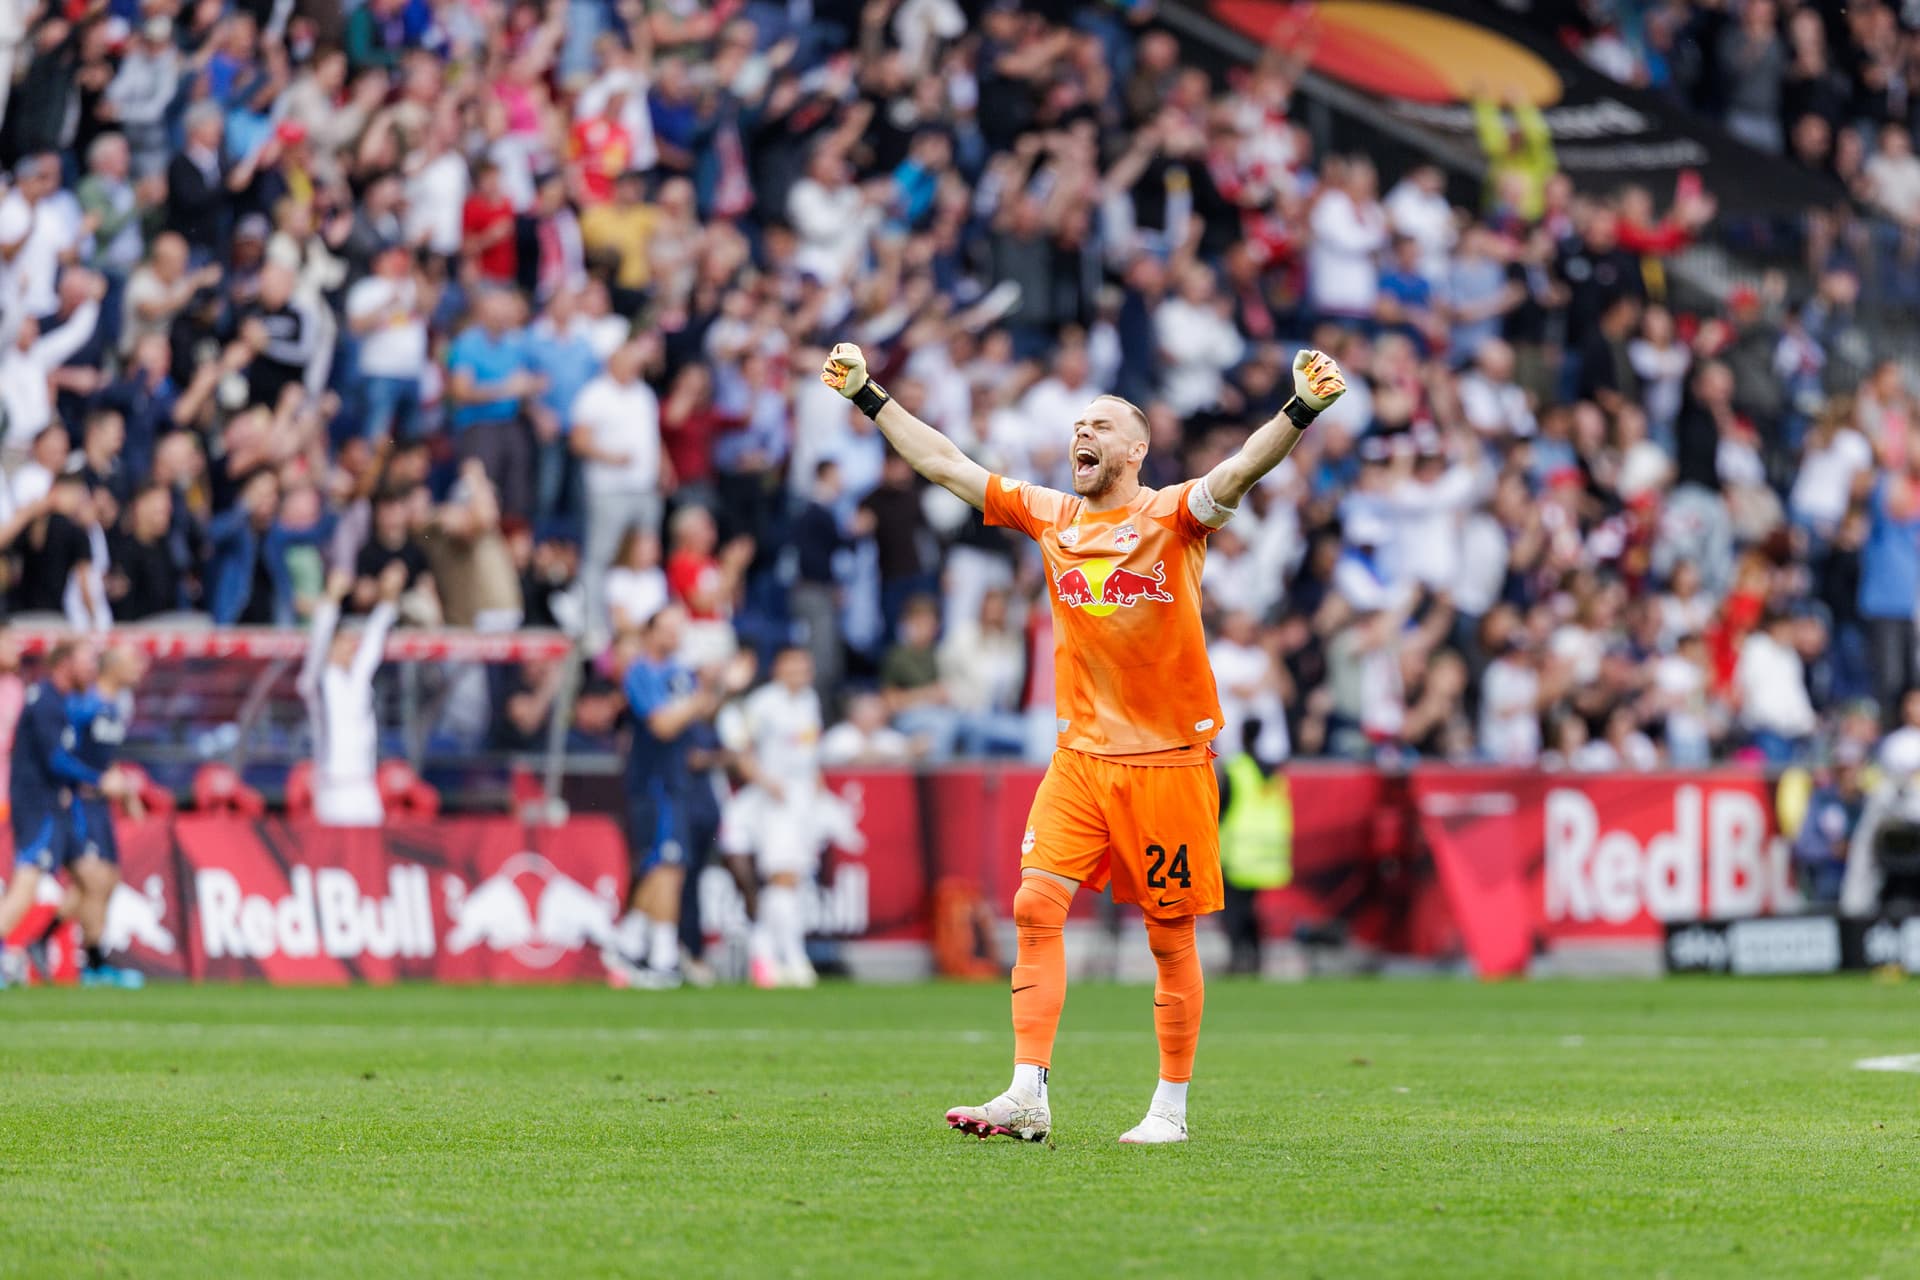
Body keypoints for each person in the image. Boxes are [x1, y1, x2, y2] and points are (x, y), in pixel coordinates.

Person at [821, 339, 1347, 1144]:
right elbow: (947, 465)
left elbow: (1241, 468)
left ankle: (1170, 1108)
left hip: (1168, 760)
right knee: (1035, 904)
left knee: (1170, 936)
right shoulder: (1051, 516)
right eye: (1077, 425)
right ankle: (1028, 1091)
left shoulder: (1171, 514)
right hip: (1081, 758)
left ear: (1135, 450)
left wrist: (1301, 409)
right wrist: (868, 396)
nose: (1083, 433)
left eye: (1100, 423)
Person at [608, 604, 751, 989]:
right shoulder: (641, 672)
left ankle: (631, 940)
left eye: (680, 628)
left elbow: (700, 713)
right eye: (668, 628)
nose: (676, 635)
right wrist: (704, 693)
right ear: (650, 632)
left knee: (664, 866)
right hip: (652, 783)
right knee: (668, 868)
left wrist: (721, 688)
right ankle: (662, 956)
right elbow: (663, 724)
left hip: (676, 783)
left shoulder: (679, 673)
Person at [718, 647, 863, 989]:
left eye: (805, 666)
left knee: (794, 880)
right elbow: (741, 747)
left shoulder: (809, 701)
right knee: (783, 876)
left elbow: (809, 756)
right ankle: (790, 956)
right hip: (776, 799)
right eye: (794, 666)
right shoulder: (764, 703)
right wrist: (765, 781)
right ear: (778, 669)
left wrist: (818, 793)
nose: (801, 672)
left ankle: (766, 953)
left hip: (802, 802)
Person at [0, 640, 132, 987]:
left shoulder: (63, 703)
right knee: (26, 885)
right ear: (64, 664)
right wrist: (99, 779)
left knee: (97, 879)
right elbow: (55, 760)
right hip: (38, 806)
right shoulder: (45, 702)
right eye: (87, 661)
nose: (93, 668)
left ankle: (89, 962)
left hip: (59, 806)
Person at [39, 645, 148, 987]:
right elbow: (62, 752)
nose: (139, 668)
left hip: (101, 804)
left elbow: (104, 757)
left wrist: (127, 793)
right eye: (132, 661)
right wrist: (91, 783)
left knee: (107, 880)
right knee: (95, 881)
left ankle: (47, 942)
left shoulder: (114, 707)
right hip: (80, 803)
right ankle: (93, 962)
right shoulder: (83, 705)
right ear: (111, 667)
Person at [298, 565, 403, 827]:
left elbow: (373, 644)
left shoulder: (357, 679)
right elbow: (318, 643)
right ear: (332, 645)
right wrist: (332, 599)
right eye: (343, 641)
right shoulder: (317, 682)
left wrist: (388, 600)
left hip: (364, 787)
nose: (351, 647)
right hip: (333, 789)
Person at [1217, 720, 1292, 978]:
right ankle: (1256, 957)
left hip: (1238, 852)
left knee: (1233, 910)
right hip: (1266, 854)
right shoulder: (1274, 772)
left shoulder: (1237, 769)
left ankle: (1239, 958)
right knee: (1250, 909)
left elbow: (1221, 809)